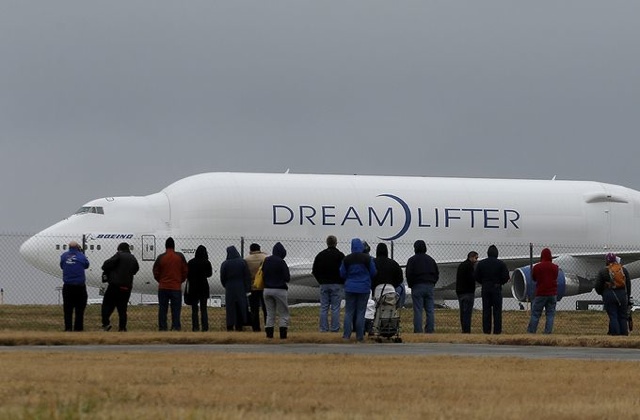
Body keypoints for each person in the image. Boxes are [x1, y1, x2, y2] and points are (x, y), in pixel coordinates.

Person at [340, 238, 377, 342]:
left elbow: (342, 273)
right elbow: (373, 272)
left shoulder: (347, 259)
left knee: (349, 312)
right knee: (361, 312)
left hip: (350, 287)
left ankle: (346, 336)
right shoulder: (367, 258)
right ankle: (359, 337)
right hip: (364, 287)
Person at [100, 242, 140, 332]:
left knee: (107, 305)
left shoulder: (119, 255)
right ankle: (122, 328)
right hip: (126, 287)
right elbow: (136, 269)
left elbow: (105, 265)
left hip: (115, 286)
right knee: (122, 309)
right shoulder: (133, 258)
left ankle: (106, 323)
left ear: (119, 249)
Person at [153, 237, 188, 331]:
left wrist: (160, 280)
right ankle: (176, 327)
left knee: (163, 309)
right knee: (176, 310)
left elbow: (155, 271)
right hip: (176, 287)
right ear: (174, 246)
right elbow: (185, 270)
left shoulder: (161, 257)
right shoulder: (179, 257)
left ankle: (162, 328)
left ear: (165, 246)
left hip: (163, 287)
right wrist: (180, 280)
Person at [312, 235, 346, 332]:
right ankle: (334, 328)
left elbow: (315, 270)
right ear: (336, 243)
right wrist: (342, 281)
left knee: (324, 307)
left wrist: (320, 281)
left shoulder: (320, 255)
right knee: (335, 308)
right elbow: (344, 270)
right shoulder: (340, 255)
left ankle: (323, 328)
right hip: (336, 284)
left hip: (324, 284)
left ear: (327, 243)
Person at [474, 244, 510, 335]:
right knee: (497, 311)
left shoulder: (481, 263)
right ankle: (497, 331)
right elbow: (506, 277)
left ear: (488, 253)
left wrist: (483, 282)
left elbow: (476, 276)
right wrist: (500, 282)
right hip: (496, 288)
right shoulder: (501, 264)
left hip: (485, 287)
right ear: (497, 253)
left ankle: (486, 330)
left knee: (486, 310)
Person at [405, 240, 439, 333]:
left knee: (418, 310)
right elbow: (436, 273)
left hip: (417, 285)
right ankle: (430, 330)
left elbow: (409, 274)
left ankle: (418, 330)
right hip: (429, 285)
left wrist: (411, 285)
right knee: (430, 310)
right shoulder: (431, 260)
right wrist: (433, 283)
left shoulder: (412, 260)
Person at [595, 253, 631, 336]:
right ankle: (624, 334)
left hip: (609, 294)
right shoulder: (623, 270)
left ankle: (615, 334)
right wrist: (627, 296)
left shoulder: (603, 271)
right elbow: (628, 285)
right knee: (622, 316)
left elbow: (598, 286)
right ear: (615, 259)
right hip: (622, 294)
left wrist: (602, 293)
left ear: (606, 260)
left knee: (613, 315)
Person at [526, 248, 559, 334]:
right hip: (552, 293)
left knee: (535, 314)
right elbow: (555, 277)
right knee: (550, 314)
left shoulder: (537, 267)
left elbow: (534, 278)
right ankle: (547, 332)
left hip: (541, 293)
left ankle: (531, 331)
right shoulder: (555, 267)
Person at [262, 242, 291, 339]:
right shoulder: (281, 262)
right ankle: (283, 336)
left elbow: (263, 274)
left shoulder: (266, 260)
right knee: (283, 313)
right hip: (280, 290)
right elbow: (287, 277)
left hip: (267, 290)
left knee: (270, 313)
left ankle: (269, 336)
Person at [59, 241, 90, 331]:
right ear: (78, 247)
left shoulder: (64, 256)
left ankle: (68, 328)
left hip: (68, 286)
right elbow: (86, 265)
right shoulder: (81, 256)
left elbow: (61, 265)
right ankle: (78, 328)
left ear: (69, 247)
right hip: (80, 286)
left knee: (68, 309)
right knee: (79, 309)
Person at [220, 245, 251, 331]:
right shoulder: (242, 262)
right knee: (241, 306)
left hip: (230, 287)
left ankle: (230, 325)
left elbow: (223, 277)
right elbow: (247, 275)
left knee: (230, 307)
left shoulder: (225, 263)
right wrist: (247, 287)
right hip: (240, 286)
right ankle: (239, 325)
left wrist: (226, 285)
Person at [187, 245, 213, 332]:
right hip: (203, 287)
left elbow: (188, 274)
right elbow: (209, 274)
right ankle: (205, 327)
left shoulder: (191, 262)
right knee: (203, 309)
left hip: (193, 288)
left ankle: (195, 327)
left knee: (194, 310)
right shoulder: (207, 262)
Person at [245, 243, 268, 332]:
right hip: (264, 286)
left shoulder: (246, 259)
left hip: (253, 287)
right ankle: (268, 326)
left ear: (250, 249)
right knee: (266, 308)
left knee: (254, 309)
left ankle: (256, 328)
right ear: (259, 248)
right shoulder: (265, 258)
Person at [455, 251, 478, 333]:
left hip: (460, 292)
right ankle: (467, 330)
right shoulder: (470, 267)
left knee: (462, 312)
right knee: (467, 313)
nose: (476, 260)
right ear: (471, 257)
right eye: (476, 258)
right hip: (468, 292)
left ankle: (463, 329)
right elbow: (471, 279)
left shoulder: (461, 265)